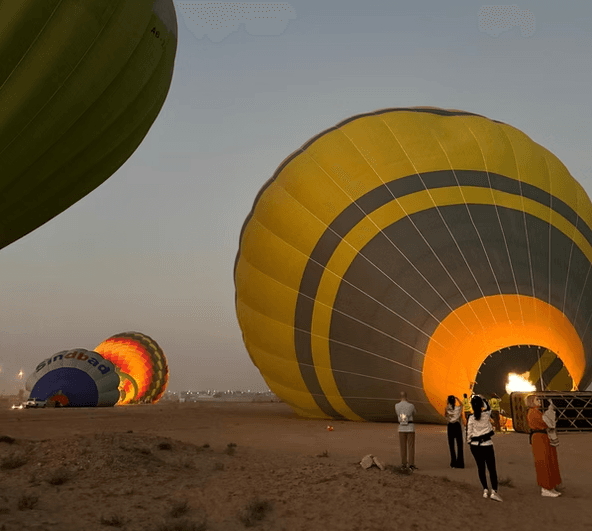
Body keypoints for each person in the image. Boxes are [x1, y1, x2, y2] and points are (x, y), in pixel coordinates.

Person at [466, 395, 503, 502]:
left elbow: (469, 432)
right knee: (491, 469)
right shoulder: (486, 415)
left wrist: (469, 441)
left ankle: (485, 490)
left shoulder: (471, 418)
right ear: (481, 405)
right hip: (486, 445)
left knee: (480, 468)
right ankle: (494, 491)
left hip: (475, 446)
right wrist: (483, 399)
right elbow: (488, 408)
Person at [526, 395, 562, 497]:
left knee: (550, 460)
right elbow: (546, 422)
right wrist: (550, 411)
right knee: (544, 461)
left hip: (543, 437)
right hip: (539, 438)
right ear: (532, 401)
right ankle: (545, 487)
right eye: (537, 399)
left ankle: (550, 486)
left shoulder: (536, 412)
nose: (539, 401)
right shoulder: (533, 413)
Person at [395, 391, 417, 471]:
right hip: (410, 427)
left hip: (401, 427)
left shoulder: (396, 405)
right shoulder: (411, 405)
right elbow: (415, 413)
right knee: (411, 446)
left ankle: (403, 464)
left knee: (402, 447)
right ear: (407, 396)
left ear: (400, 397)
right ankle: (411, 464)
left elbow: (398, 413)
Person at [444, 395, 464, 468]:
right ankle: (460, 463)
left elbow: (445, 416)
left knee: (451, 445)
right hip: (457, 426)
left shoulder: (447, 408)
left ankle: (453, 462)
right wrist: (457, 398)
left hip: (450, 426)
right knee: (460, 445)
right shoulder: (458, 408)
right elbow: (462, 404)